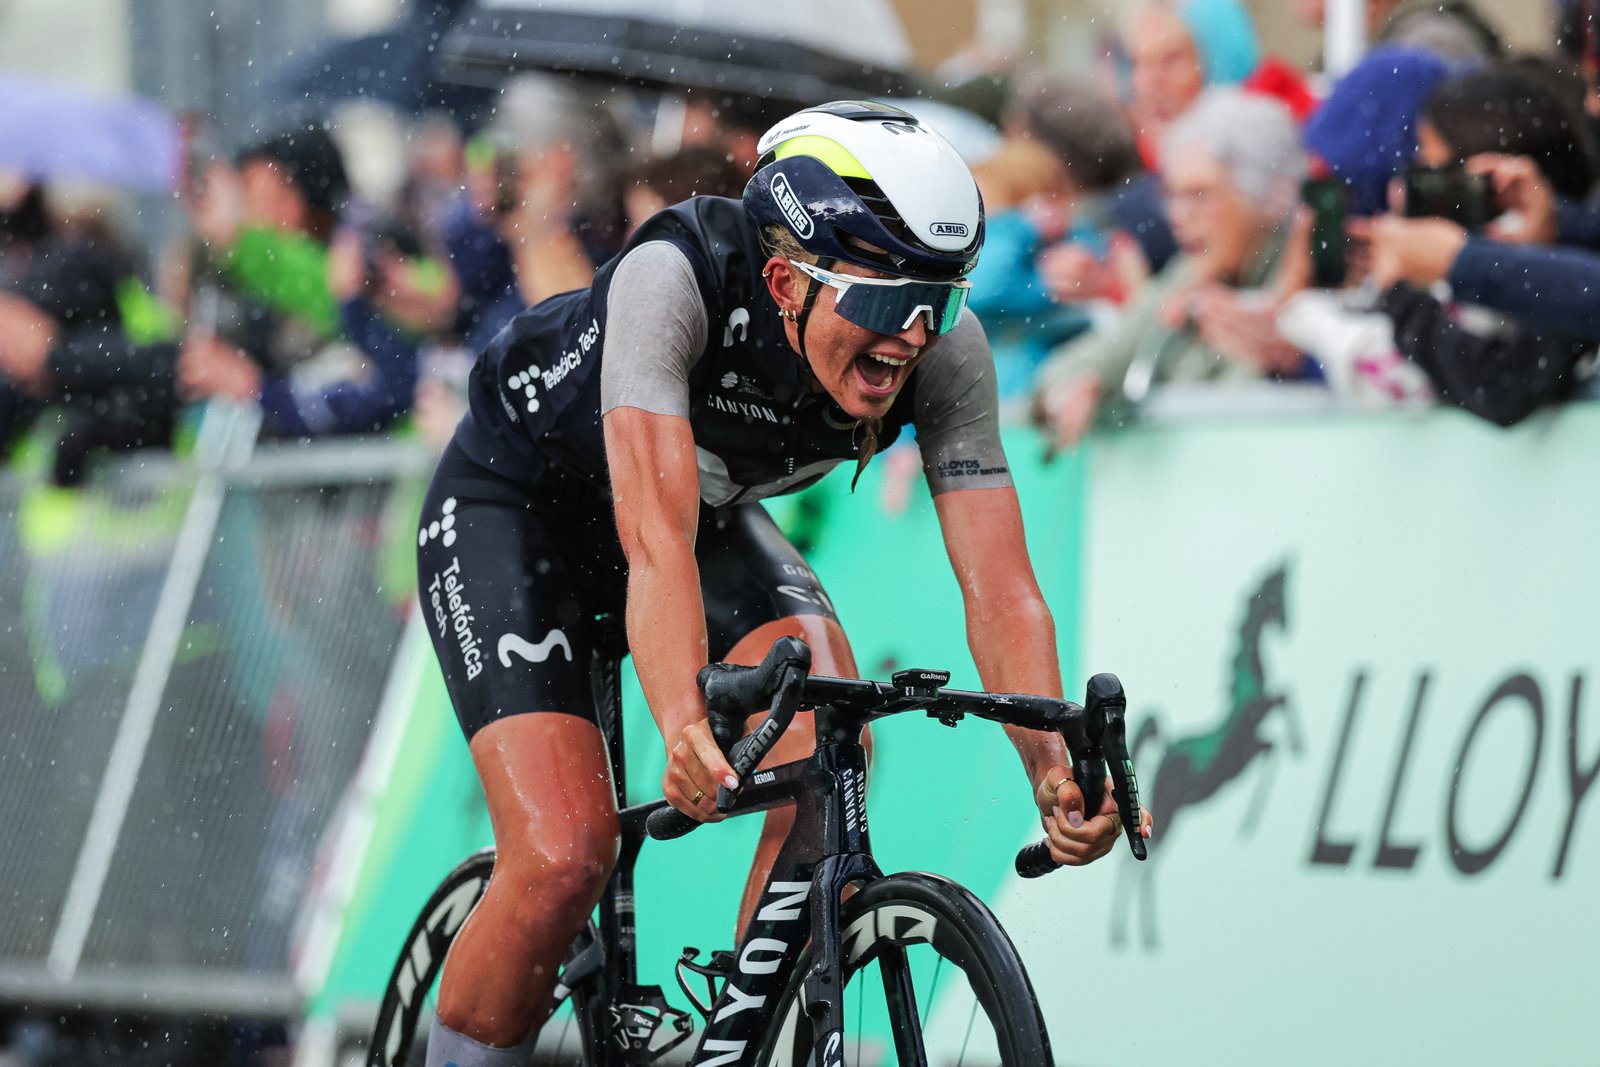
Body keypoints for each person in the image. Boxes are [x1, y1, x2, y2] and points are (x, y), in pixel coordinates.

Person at [414, 100, 1152, 1067]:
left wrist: (1052, 763)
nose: (911, 339)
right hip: (519, 511)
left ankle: (739, 1031)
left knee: (823, 743)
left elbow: (1003, 588)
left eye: (943, 302)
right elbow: (652, 541)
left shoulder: (939, 352)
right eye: (887, 303)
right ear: (782, 278)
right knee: (563, 858)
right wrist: (682, 720)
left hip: (697, 514)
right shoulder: (672, 280)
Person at [1034, 89, 1313, 449]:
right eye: (1173, 195)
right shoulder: (1189, 275)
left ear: (1266, 198)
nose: (1178, 216)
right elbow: (1069, 369)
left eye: (1199, 195)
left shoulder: (1311, 280)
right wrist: (1086, 385)